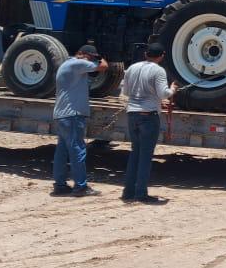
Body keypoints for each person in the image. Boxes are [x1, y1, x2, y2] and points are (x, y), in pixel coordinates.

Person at [120, 43, 177, 203]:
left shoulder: (132, 68)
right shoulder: (158, 70)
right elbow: (163, 93)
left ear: (146, 54)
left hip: (132, 114)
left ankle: (128, 191)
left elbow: (125, 91)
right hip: (148, 116)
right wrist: (172, 89)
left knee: (135, 154)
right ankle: (141, 193)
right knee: (145, 157)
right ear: (162, 56)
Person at [51, 45, 108, 197]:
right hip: (73, 115)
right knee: (78, 151)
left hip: (62, 114)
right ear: (81, 54)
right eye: (90, 57)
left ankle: (60, 185)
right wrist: (101, 56)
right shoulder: (77, 63)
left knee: (62, 153)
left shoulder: (67, 64)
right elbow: (103, 66)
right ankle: (81, 186)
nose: (91, 60)